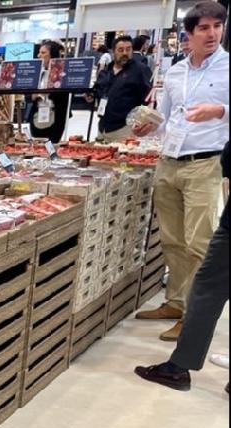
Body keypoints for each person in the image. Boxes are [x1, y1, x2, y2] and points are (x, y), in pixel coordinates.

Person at [132, 1, 229, 341]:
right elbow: (166, 118)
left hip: (205, 163)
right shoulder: (175, 71)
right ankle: (174, 302)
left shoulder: (229, 68)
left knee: (198, 244)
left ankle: (193, 319)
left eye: (217, 26)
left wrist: (220, 111)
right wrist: (149, 128)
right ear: (188, 35)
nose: (213, 33)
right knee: (171, 241)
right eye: (203, 28)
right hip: (168, 162)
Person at [135, 142, 229, 392]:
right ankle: (176, 309)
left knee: (207, 288)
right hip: (174, 159)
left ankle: (179, 367)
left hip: (204, 167)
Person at [91, 36, 154, 142]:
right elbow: (98, 91)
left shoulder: (140, 70)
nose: (125, 53)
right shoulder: (106, 71)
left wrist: (143, 123)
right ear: (113, 52)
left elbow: (149, 99)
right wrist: (91, 96)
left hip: (125, 129)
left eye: (128, 49)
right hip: (103, 127)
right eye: (121, 50)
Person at [29, 41, 71, 143]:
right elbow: (28, 95)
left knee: (52, 148)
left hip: (55, 119)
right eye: (39, 52)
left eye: (43, 53)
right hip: (37, 117)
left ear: (52, 55)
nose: (39, 56)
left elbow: (64, 99)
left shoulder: (62, 74)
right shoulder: (38, 73)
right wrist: (33, 95)